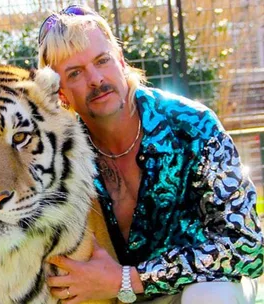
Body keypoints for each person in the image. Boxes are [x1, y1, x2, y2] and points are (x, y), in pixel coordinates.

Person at [37, 4, 264, 304]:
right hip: (110, 298)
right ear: (61, 93)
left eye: (102, 60)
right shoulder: (61, 157)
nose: (95, 78)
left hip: (197, 289)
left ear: (120, 60)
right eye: (75, 73)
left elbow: (248, 247)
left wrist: (129, 280)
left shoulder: (193, 125)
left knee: (211, 295)